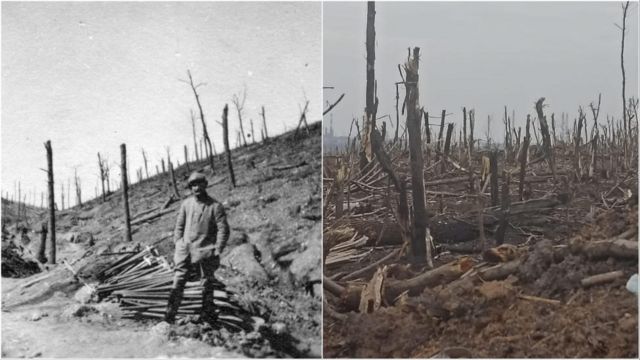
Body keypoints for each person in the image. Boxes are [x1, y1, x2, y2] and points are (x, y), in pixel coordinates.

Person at [165, 171, 230, 323]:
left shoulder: (215, 206)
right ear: (190, 188)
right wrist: (178, 243)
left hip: (205, 252)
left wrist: (217, 249)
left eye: (199, 184)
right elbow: (179, 226)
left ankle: (207, 316)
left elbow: (223, 229)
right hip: (185, 251)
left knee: (206, 283)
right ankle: (169, 315)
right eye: (193, 185)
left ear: (205, 185)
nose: (196, 188)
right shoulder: (186, 204)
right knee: (178, 281)